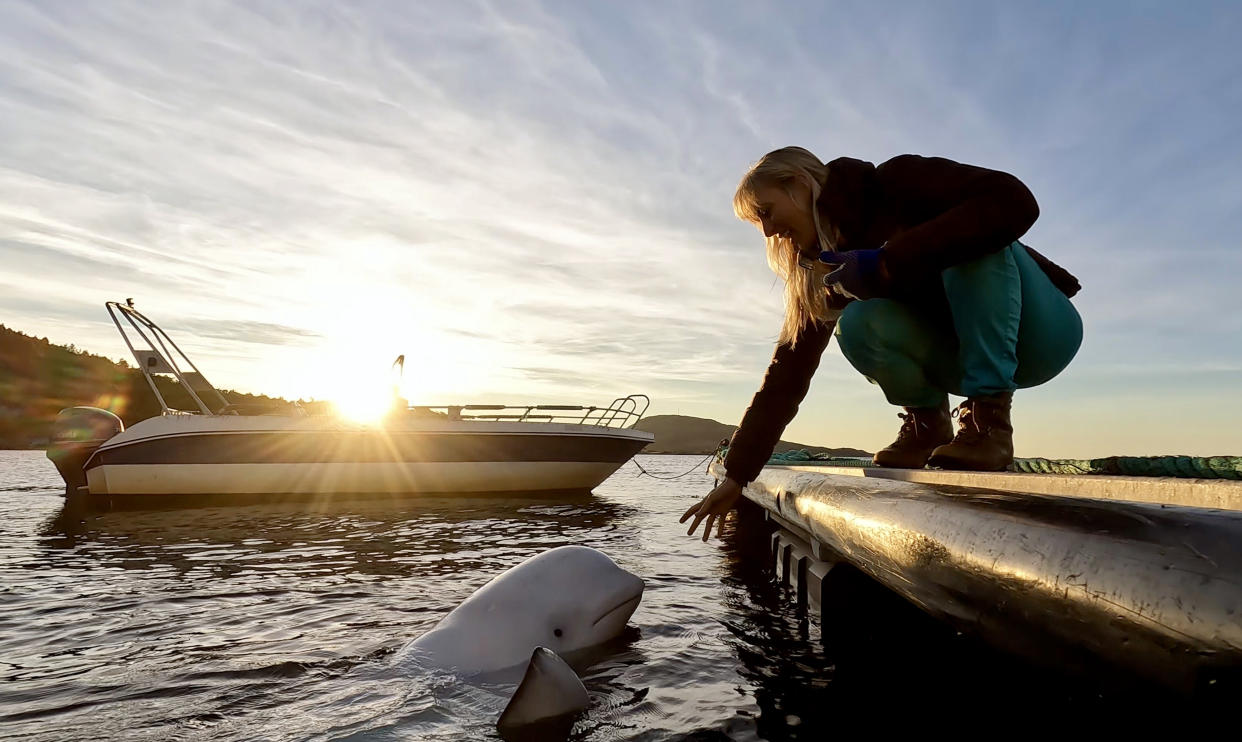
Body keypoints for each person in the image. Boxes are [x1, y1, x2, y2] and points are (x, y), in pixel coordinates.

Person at [682, 147, 1082, 540]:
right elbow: (786, 375)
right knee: (856, 323)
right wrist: (737, 476)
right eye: (759, 224)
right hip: (958, 354)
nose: (768, 232)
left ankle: (988, 422)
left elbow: (1015, 201)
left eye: (767, 212)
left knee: (968, 238)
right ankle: (929, 425)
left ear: (799, 185)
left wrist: (887, 263)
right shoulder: (823, 268)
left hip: (1040, 333)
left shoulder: (895, 182)